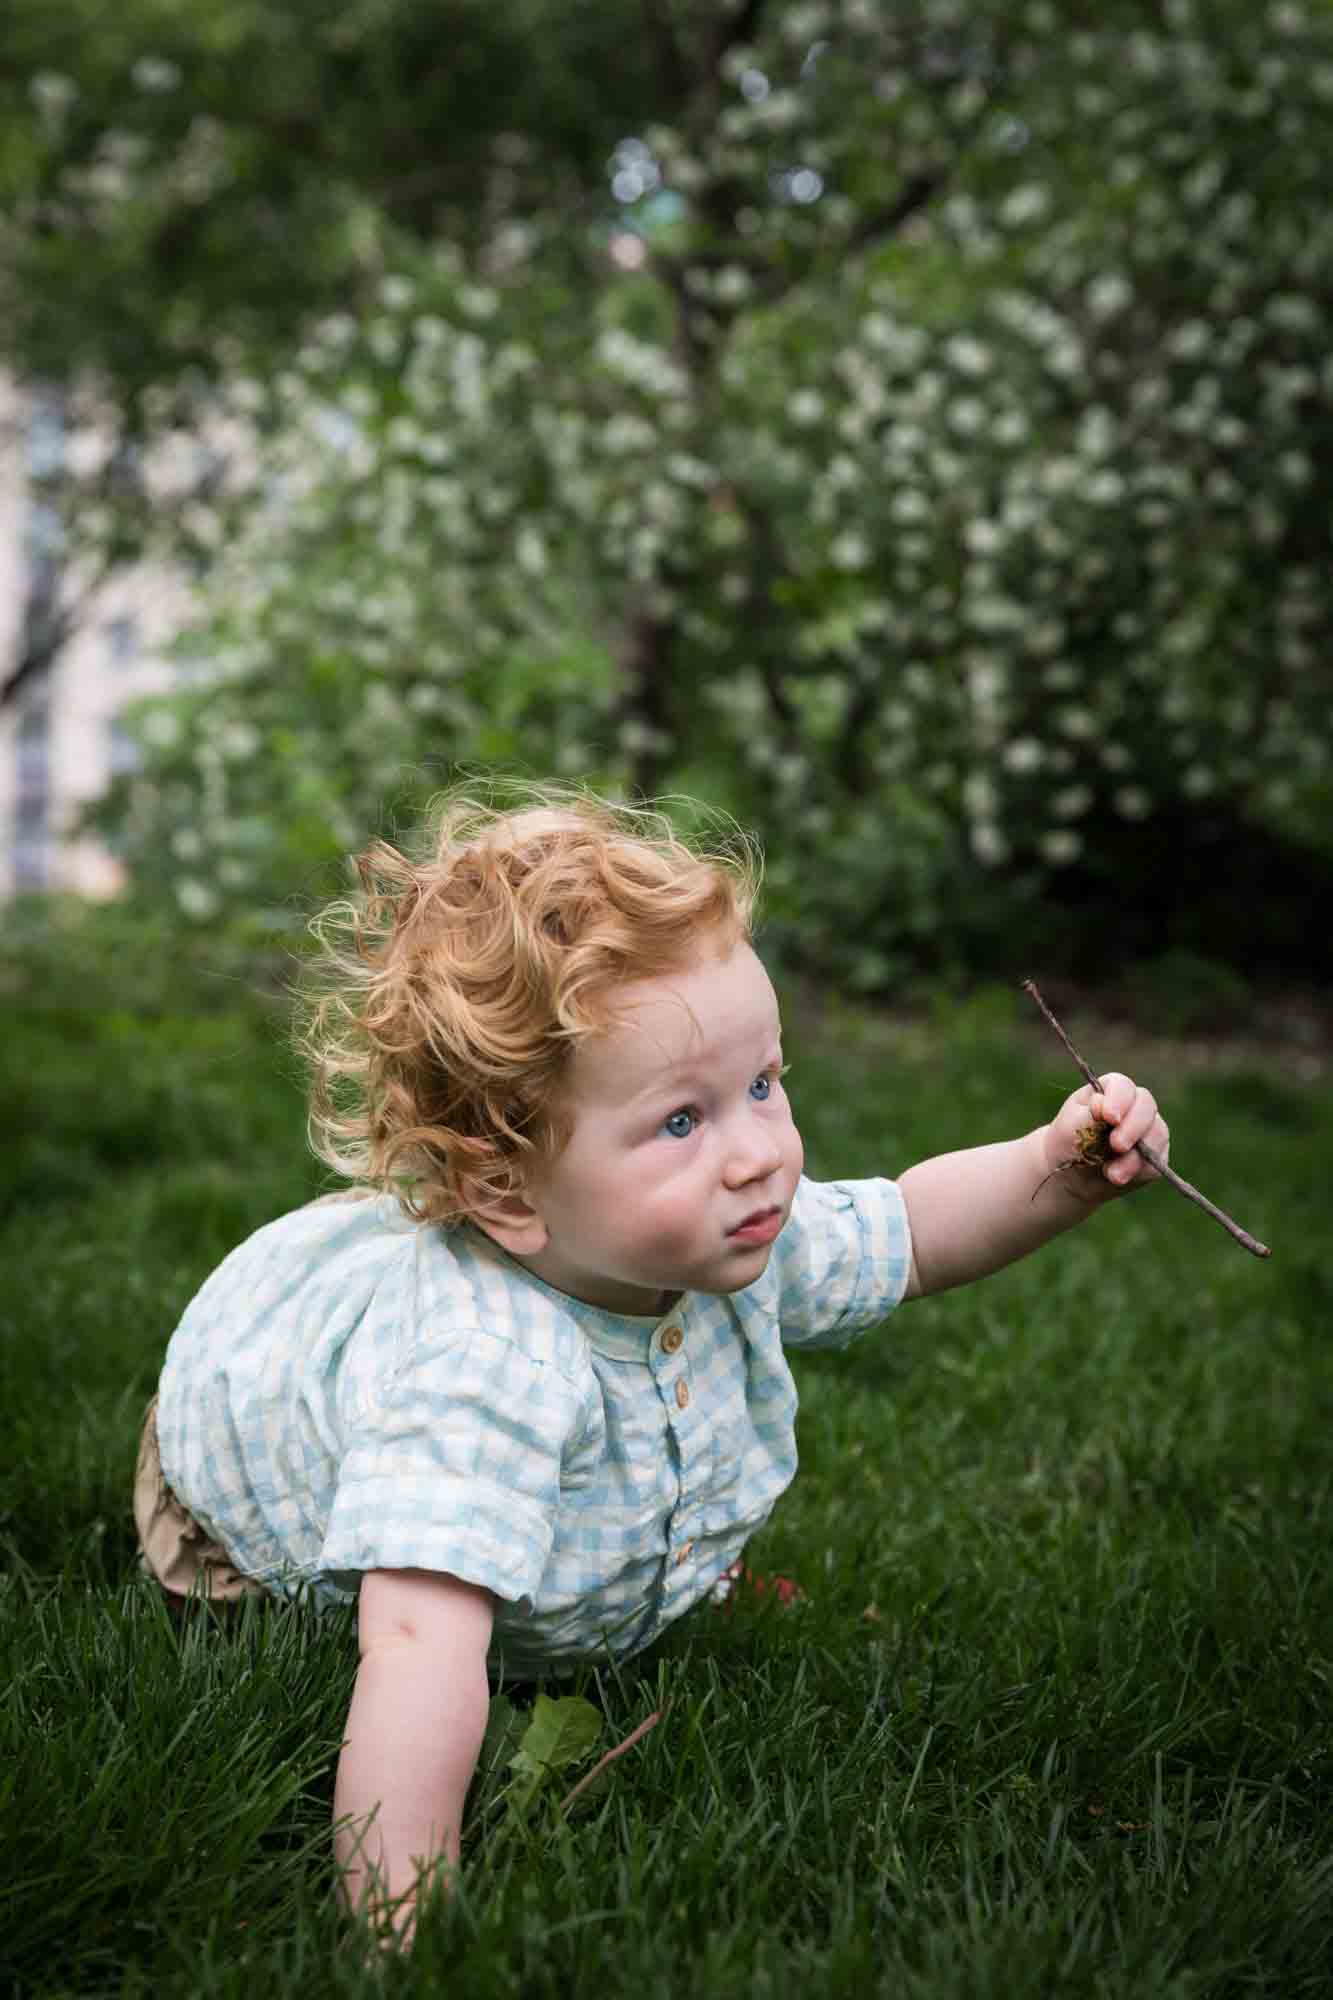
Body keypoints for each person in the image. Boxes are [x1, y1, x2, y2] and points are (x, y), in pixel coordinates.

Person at [134, 784, 1168, 1938]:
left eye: (765, 1085)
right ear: (504, 1187)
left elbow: (913, 1232)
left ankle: (639, 1572)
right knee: (399, 1602)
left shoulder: (730, 1232)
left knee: (572, 1527)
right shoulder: (481, 1372)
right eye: (683, 1120)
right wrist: (402, 1923)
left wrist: (1059, 1165)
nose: (758, 1155)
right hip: (233, 1487)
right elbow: (418, 1643)